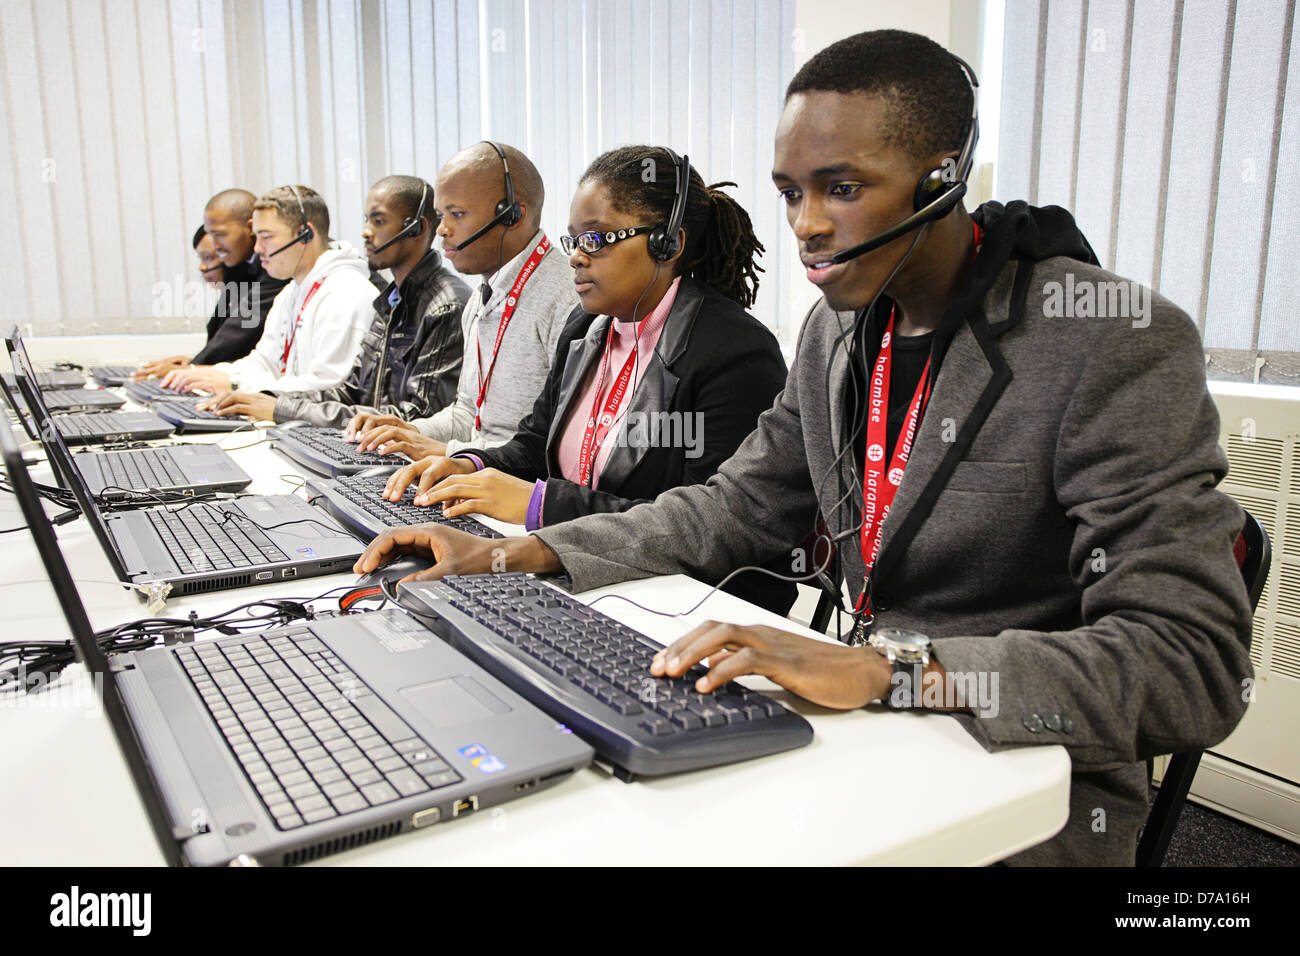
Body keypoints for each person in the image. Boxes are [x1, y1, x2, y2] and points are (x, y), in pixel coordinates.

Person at [353, 30, 1254, 866]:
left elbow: (1191, 662)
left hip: (1023, 772)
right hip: (861, 725)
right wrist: (524, 551)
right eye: (791, 192)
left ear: (943, 177)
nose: (808, 225)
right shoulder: (836, 332)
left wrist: (891, 672)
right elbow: (734, 505)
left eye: (843, 187)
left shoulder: (1110, 339)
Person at [382, 146, 792, 612]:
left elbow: (704, 526)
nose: (576, 258)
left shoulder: (731, 351)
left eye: (595, 240)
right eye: (572, 240)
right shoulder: (587, 330)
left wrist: (542, 505)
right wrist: (470, 466)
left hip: (690, 606)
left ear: (667, 244)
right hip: (582, 577)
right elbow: (535, 445)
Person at [344, 142, 576, 457]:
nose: (442, 229)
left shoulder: (567, 299)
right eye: (441, 214)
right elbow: (469, 414)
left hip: (511, 487)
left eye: (457, 213)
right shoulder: (480, 301)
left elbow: (554, 448)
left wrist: (448, 452)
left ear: (511, 215)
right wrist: (409, 431)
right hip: (478, 473)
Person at [203, 176, 471, 425]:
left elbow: (417, 418)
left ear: (417, 228)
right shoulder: (390, 300)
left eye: (378, 221)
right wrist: (269, 400)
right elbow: (352, 390)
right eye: (366, 220)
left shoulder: (444, 305)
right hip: (369, 444)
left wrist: (279, 408)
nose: (365, 231)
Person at [161, 185, 375, 397]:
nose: (257, 248)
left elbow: (328, 388)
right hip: (293, 419)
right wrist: (210, 374)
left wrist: (235, 384)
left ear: (305, 235)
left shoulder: (346, 294)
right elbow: (265, 361)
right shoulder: (291, 292)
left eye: (266, 237)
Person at [134, 189, 289, 379]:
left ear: (251, 228)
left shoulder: (277, 267)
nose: (215, 246)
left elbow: (240, 330)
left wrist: (193, 367)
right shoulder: (241, 267)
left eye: (219, 235)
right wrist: (195, 364)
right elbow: (221, 330)